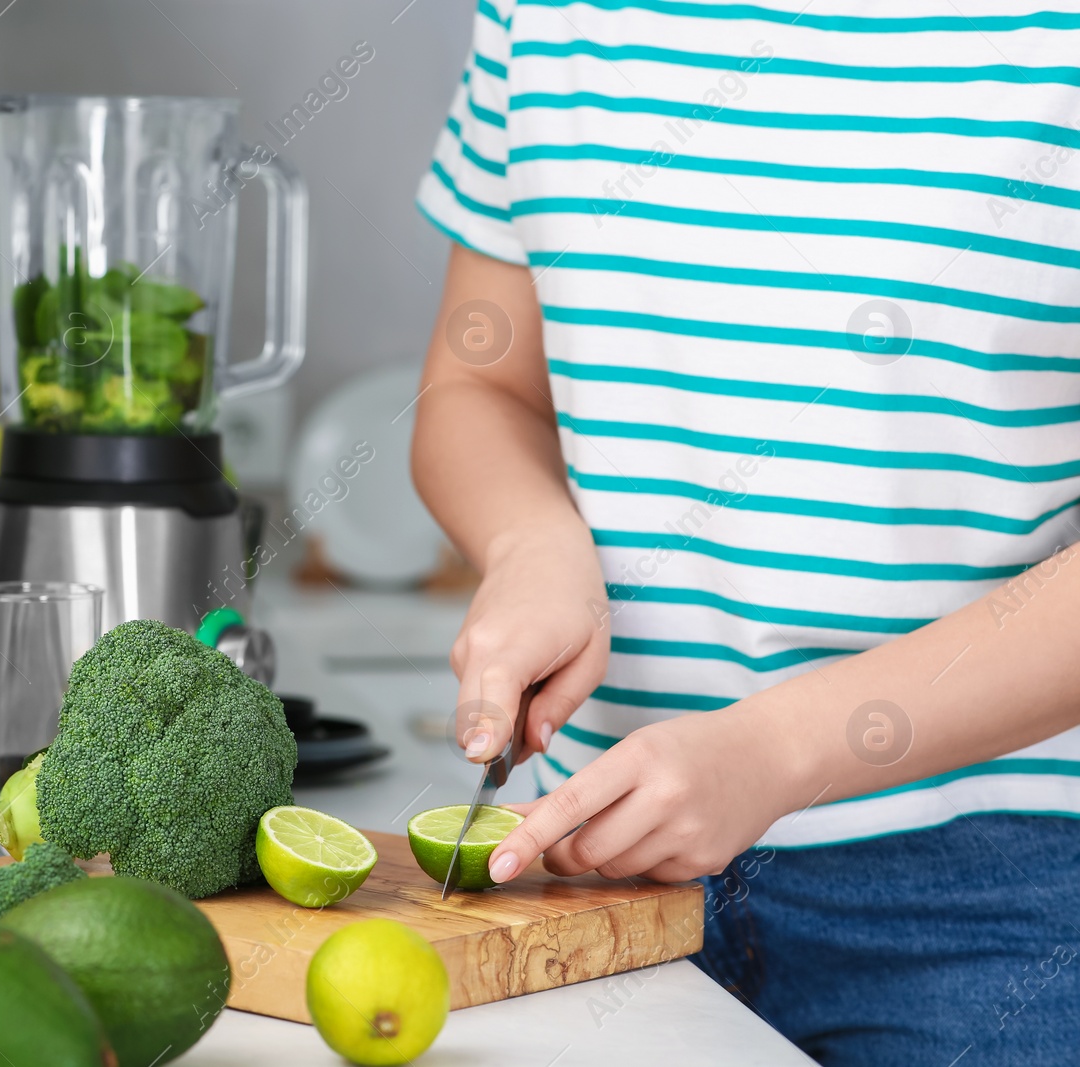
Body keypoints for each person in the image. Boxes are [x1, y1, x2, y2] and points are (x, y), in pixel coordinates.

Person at [410, 2, 1080, 1063]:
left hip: (991, 894)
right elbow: (477, 385)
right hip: (583, 871)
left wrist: (772, 750)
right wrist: (530, 543)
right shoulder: (544, 19)